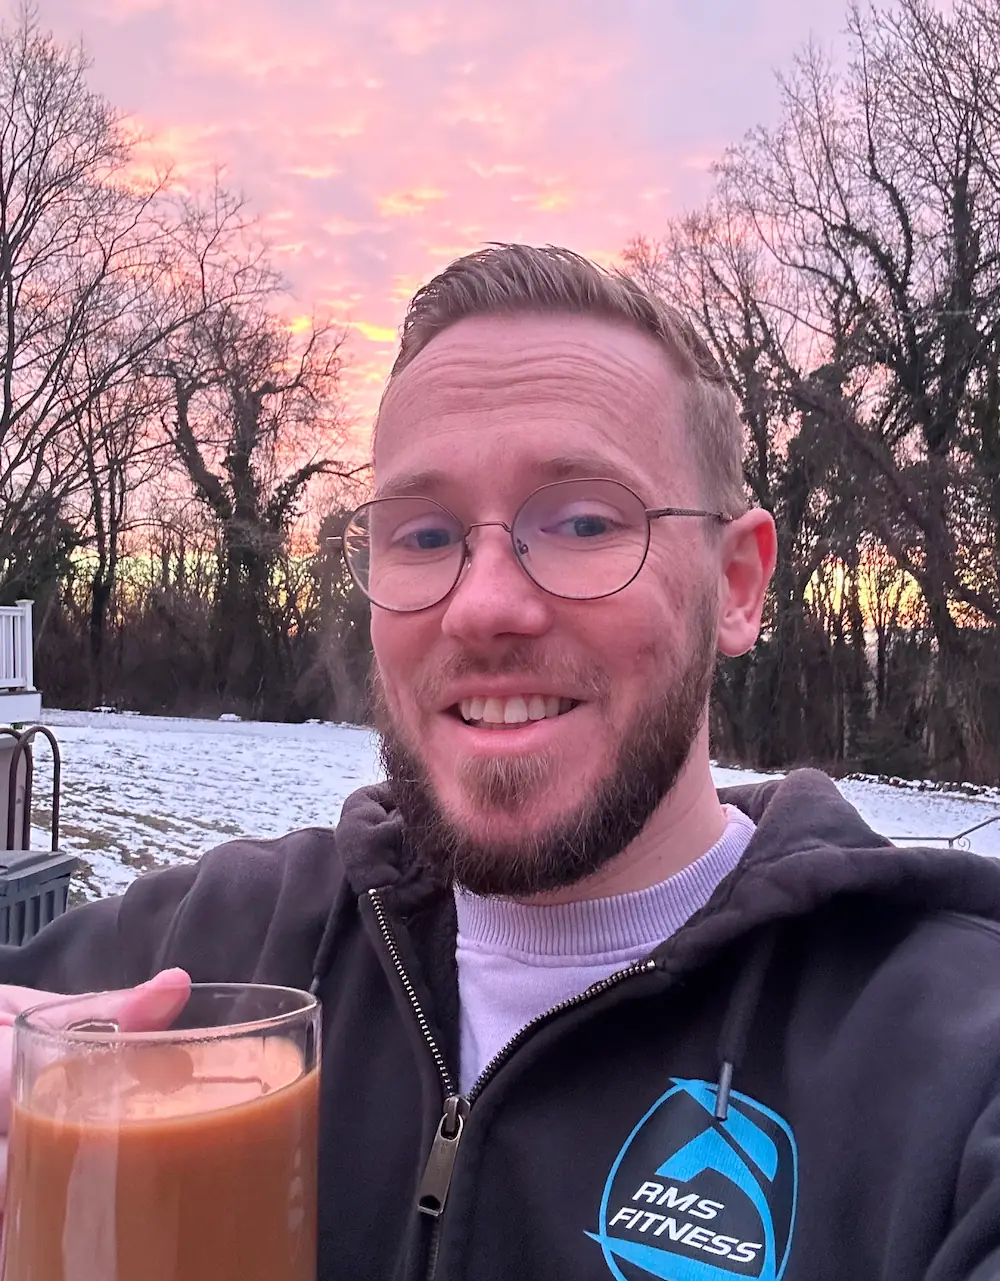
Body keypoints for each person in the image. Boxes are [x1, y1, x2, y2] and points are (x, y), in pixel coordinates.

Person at [2, 244, 1000, 1281]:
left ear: (737, 584)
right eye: (424, 534)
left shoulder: (945, 1063)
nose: (481, 606)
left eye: (580, 521)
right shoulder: (210, 944)